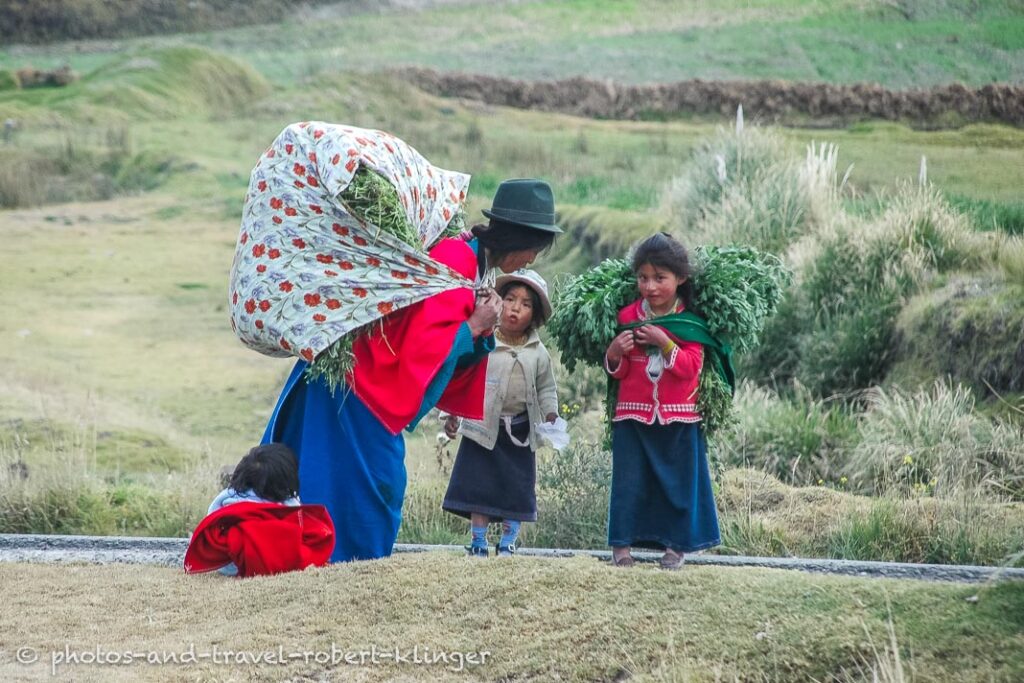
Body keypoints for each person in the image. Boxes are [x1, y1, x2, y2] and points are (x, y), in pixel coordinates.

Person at [262, 179, 561, 563]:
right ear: (518, 238)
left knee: (349, 477)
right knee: (370, 481)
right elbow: (422, 346)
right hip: (362, 382)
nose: (531, 260)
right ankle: (348, 562)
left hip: (368, 381)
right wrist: (474, 326)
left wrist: (481, 327)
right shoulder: (458, 260)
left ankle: (337, 560)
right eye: (533, 249)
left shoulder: (473, 266)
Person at [603, 232, 722, 570]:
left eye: (660, 278)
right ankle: (622, 548)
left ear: (680, 279)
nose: (650, 287)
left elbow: (690, 369)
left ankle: (676, 546)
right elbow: (620, 371)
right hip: (633, 415)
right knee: (630, 482)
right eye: (643, 278)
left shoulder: (690, 323)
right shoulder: (627, 317)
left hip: (679, 416)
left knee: (678, 484)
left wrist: (664, 342)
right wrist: (614, 353)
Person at [442, 269, 559, 557]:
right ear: (498, 302)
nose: (516, 308)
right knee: (479, 487)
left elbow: (546, 388)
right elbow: (462, 379)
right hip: (482, 428)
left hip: (520, 432)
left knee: (516, 491)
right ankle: (478, 541)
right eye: (510, 299)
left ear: (535, 315)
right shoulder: (484, 341)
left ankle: (508, 542)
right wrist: (451, 415)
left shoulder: (537, 352)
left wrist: (551, 414)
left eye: (526, 304)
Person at [184, 444, 335, 577]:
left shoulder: (226, 497)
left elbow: (211, 519)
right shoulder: (288, 502)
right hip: (263, 560)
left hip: (228, 565)